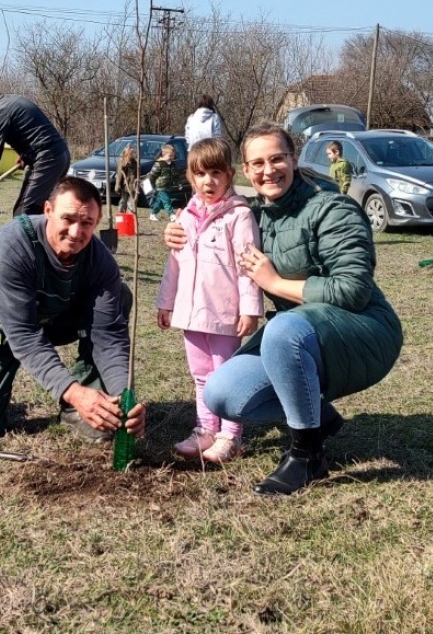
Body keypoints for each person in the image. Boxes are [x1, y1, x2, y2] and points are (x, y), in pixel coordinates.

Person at [163, 122, 403, 495]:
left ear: (293, 159)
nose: (268, 170)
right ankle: (318, 415)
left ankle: (307, 455)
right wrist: (179, 231)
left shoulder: (332, 208)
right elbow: (216, 221)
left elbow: (354, 290)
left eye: (277, 159)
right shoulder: (254, 216)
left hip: (365, 332)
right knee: (222, 394)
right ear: (245, 170)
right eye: (257, 163)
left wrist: (274, 284)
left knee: (282, 329)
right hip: (301, 336)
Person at [0, 176, 147, 442]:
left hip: (53, 315)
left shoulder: (101, 261)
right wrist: (71, 391)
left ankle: (82, 407)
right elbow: (23, 334)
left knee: (120, 296)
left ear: (98, 221)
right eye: (67, 219)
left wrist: (124, 397)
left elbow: (109, 337)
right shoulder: (12, 245)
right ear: (48, 210)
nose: (76, 232)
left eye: (86, 222)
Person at [154, 138, 263, 464]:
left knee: (226, 376)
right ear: (190, 177)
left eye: (216, 173)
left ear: (229, 174)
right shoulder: (185, 217)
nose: (208, 181)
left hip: (224, 314)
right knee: (201, 375)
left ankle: (231, 435)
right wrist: (166, 302)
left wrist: (249, 308)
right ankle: (205, 429)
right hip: (191, 313)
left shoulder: (239, 216)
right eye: (200, 174)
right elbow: (174, 264)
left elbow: (247, 266)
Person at [0, 79, 71, 217]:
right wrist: (26, 155)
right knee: (43, 211)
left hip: (48, 158)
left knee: (24, 214)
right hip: (60, 155)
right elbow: (33, 131)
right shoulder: (12, 101)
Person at [147, 143, 188, 221]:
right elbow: (152, 175)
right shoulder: (159, 164)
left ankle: (153, 213)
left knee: (160, 203)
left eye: (173, 155)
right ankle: (172, 215)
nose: (172, 157)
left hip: (168, 186)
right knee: (167, 201)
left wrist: (179, 184)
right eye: (170, 156)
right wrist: (150, 185)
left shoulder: (173, 165)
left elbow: (176, 176)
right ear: (164, 155)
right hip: (160, 187)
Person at [112, 143, 140, 213]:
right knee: (123, 200)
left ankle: (131, 214)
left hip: (133, 186)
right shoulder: (123, 163)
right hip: (125, 186)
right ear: (128, 154)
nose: (134, 155)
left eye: (134, 153)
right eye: (132, 153)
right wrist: (117, 186)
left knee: (131, 201)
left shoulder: (135, 163)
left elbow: (137, 174)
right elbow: (119, 176)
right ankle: (121, 213)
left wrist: (138, 183)